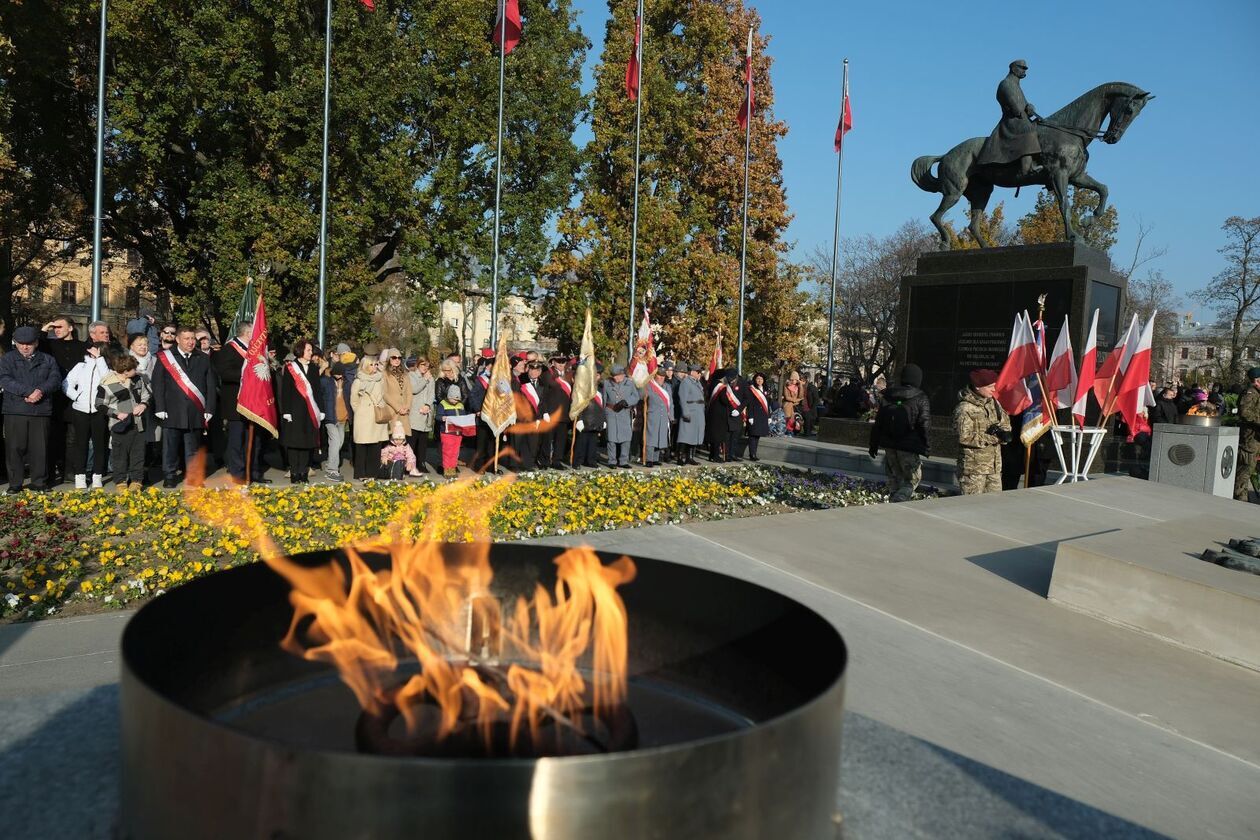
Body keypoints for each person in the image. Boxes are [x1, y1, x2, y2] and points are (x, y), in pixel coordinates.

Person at [152, 326, 216, 488]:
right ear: (178, 340)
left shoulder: (202, 358)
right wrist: (159, 407)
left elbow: (210, 385)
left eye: (193, 339)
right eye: (186, 339)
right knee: (170, 447)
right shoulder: (165, 357)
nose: (190, 342)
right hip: (172, 410)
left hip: (195, 411)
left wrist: (209, 408)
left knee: (193, 447)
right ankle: (170, 475)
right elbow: (157, 384)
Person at [0, 326, 61, 493]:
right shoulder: (7, 359)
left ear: (36, 343)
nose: (24, 347)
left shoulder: (48, 360)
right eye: (21, 344)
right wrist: (27, 392)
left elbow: (55, 379)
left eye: (28, 344)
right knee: (14, 448)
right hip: (15, 409)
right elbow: (4, 379)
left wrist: (40, 391)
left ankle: (39, 482)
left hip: (40, 410)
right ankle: (15, 483)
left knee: (39, 448)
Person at [868, 363, 931, 502]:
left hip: (890, 445)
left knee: (894, 478)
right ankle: (901, 498)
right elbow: (924, 424)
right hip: (909, 445)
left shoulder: (888, 395)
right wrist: (926, 445)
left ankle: (894, 505)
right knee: (912, 479)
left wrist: (873, 445)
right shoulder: (921, 397)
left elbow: (879, 423)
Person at [213, 321, 266, 483]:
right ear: (248, 334)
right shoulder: (229, 349)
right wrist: (247, 374)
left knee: (254, 440)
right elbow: (225, 373)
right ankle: (237, 474)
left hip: (254, 403)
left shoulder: (254, 351)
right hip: (236, 403)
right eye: (254, 333)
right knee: (237, 440)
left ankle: (254, 473)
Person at [95, 352, 152, 491]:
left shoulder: (138, 379)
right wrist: (116, 414)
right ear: (125, 372)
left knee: (137, 453)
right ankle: (120, 481)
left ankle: (137, 480)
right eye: (133, 369)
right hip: (119, 425)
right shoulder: (106, 384)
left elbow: (147, 394)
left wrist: (143, 405)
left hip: (138, 423)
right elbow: (99, 404)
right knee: (119, 455)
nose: (136, 371)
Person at [976, 59, 1042, 178]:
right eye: (1022, 67)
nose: (1024, 70)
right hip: (1011, 121)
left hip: (1020, 119)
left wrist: (1030, 107)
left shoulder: (1016, 85)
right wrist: (1022, 111)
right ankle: (1027, 168)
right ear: (1013, 68)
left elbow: (1024, 105)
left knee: (1041, 127)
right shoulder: (1005, 84)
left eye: (1025, 68)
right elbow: (1016, 109)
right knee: (1029, 130)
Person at [953, 368, 1010, 495]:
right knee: (972, 507)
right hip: (973, 470)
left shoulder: (994, 404)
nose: (994, 390)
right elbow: (963, 437)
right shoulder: (965, 409)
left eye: (994, 386)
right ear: (978, 387)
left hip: (994, 468)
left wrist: (1004, 434)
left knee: (994, 507)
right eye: (990, 387)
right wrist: (992, 438)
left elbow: (1006, 423)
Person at [63, 341, 111, 489]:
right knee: (81, 444)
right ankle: (80, 475)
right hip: (80, 410)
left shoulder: (106, 367)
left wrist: (100, 360)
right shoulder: (80, 366)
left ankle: (97, 476)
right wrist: (76, 396)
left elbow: (107, 380)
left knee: (99, 444)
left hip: (99, 410)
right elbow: (66, 383)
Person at [278, 340, 323, 485]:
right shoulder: (291, 367)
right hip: (294, 411)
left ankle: (304, 472)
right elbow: (285, 391)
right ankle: (294, 472)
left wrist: (321, 410)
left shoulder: (314, 368)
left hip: (310, 410)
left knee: (307, 443)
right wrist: (286, 411)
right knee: (294, 442)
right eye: (309, 350)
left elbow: (317, 391)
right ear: (300, 351)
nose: (311, 353)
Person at [350, 355, 388, 479]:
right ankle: (361, 473)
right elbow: (354, 401)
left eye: (376, 364)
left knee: (375, 445)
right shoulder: (358, 381)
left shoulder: (380, 379)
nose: (374, 367)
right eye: (371, 364)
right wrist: (361, 412)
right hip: (363, 417)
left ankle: (372, 473)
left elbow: (383, 394)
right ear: (365, 366)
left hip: (376, 416)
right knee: (362, 445)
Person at [514, 359, 549, 471]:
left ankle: (528, 464)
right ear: (528, 370)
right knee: (517, 441)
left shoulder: (543, 383)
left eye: (536, 370)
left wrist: (541, 416)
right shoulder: (521, 380)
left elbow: (543, 402)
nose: (534, 373)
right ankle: (515, 465)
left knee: (532, 442)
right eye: (532, 370)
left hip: (535, 418)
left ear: (539, 372)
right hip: (521, 416)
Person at [601, 364, 639, 468]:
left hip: (624, 412)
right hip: (611, 412)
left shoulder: (630, 383)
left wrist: (626, 402)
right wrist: (603, 414)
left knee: (626, 438)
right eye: (613, 375)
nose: (615, 378)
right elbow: (604, 399)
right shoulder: (607, 383)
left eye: (617, 375)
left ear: (622, 374)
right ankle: (612, 461)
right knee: (611, 438)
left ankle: (623, 461)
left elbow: (636, 396)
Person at [573, 364, 606, 468]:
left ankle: (591, 461)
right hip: (585, 418)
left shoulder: (601, 388)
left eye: (598, 375)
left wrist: (603, 419)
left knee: (592, 442)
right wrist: (579, 419)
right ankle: (577, 462)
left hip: (596, 419)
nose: (595, 377)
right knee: (581, 442)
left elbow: (602, 405)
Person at [1234, 366, 1260, 502]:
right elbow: (1244, 412)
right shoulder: (1250, 393)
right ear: (1256, 380)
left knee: (1250, 468)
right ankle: (1239, 499)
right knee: (1245, 469)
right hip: (1249, 437)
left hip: (1256, 437)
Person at [542, 355, 572, 469]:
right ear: (553, 362)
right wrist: (544, 412)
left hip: (564, 413)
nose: (561, 363)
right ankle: (544, 461)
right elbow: (543, 395)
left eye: (563, 361)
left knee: (560, 440)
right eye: (558, 361)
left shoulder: (569, 375)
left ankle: (556, 461)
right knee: (547, 439)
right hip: (551, 413)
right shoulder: (547, 375)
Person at [707, 370, 743, 462]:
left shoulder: (712, 384)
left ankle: (711, 455)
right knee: (718, 436)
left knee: (713, 435)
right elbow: (724, 400)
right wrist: (731, 404)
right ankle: (715, 456)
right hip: (719, 414)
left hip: (712, 412)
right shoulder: (721, 387)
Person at [408, 356, 435, 473]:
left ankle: (421, 463)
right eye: (423, 365)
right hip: (415, 412)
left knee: (423, 442)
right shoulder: (411, 376)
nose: (425, 368)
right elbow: (414, 389)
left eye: (427, 366)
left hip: (426, 412)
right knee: (412, 440)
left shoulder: (430, 378)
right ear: (418, 365)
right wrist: (424, 379)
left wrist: (428, 405)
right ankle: (409, 464)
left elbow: (431, 394)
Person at [437, 384, 471, 477]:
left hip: (458, 433)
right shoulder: (443, 404)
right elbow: (438, 416)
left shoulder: (460, 405)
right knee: (447, 451)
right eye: (454, 399)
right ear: (449, 396)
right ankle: (447, 470)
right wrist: (443, 418)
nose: (456, 401)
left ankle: (453, 468)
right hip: (447, 432)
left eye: (458, 399)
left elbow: (463, 417)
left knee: (455, 452)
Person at [675, 364, 706, 465]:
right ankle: (680, 457)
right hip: (690, 411)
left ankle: (690, 457)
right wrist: (685, 412)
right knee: (685, 436)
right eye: (698, 372)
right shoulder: (686, 382)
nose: (699, 374)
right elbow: (682, 398)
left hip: (698, 412)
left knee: (695, 436)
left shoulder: (697, 383)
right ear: (692, 372)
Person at [644, 366, 674, 467]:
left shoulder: (667, 387)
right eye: (659, 376)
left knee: (660, 437)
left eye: (663, 376)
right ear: (655, 376)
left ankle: (656, 458)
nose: (661, 378)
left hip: (664, 415)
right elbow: (643, 398)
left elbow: (671, 403)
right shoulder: (649, 386)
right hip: (653, 414)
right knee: (651, 437)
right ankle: (649, 459)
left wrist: (671, 417)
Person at [379, 348, 411, 438]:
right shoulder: (384, 374)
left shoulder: (405, 374)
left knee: (402, 440)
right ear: (389, 359)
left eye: (399, 358)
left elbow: (409, 392)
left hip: (404, 412)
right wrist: (398, 408)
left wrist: (407, 407)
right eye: (394, 357)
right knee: (391, 440)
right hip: (392, 411)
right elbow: (384, 393)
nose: (397, 360)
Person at [744, 372, 772, 462]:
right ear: (755, 380)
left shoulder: (766, 389)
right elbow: (750, 403)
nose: (759, 381)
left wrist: (769, 416)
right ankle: (752, 454)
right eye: (757, 379)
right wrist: (750, 416)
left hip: (763, 415)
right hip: (754, 414)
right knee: (752, 435)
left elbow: (767, 404)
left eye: (761, 379)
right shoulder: (751, 389)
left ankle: (754, 453)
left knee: (758, 436)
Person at [781, 370, 805, 435]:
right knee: (788, 418)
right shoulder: (786, 386)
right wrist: (796, 400)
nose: (794, 381)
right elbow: (787, 397)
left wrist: (800, 386)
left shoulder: (797, 387)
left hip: (795, 406)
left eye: (796, 380)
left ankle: (791, 431)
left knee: (794, 419)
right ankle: (787, 431)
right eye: (793, 379)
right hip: (787, 404)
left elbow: (801, 396)